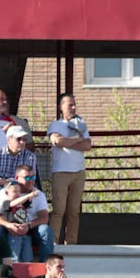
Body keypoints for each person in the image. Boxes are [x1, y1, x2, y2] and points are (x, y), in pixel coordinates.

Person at [47, 95, 91, 246]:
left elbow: (87, 146)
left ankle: (71, 242)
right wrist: (78, 139)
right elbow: (57, 141)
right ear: (61, 107)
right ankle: (52, 242)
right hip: (60, 172)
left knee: (74, 211)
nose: (73, 108)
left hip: (79, 172)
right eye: (69, 105)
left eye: (74, 105)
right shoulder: (55, 125)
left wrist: (67, 141)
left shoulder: (81, 123)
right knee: (58, 209)